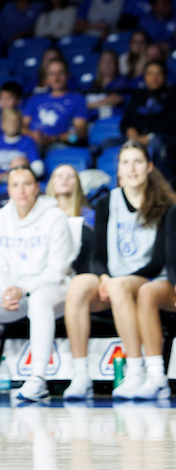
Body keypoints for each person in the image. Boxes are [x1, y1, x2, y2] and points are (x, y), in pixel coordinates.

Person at [0, 165, 75, 403]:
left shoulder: (55, 217)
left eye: (27, 184)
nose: (22, 190)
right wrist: (7, 290)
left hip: (53, 289)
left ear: (37, 187)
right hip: (13, 292)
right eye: (15, 185)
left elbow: (58, 269)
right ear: (8, 190)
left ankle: (38, 379)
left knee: (39, 301)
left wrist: (23, 289)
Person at [63, 142, 175, 400]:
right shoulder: (106, 203)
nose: (131, 168)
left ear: (149, 167)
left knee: (119, 286)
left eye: (137, 162)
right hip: (113, 279)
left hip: (149, 277)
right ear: (119, 170)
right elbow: (98, 255)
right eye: (125, 162)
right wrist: (103, 277)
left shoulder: (164, 204)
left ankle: (135, 370)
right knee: (78, 285)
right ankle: (80, 376)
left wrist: (115, 281)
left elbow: (159, 260)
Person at [131, 205, 176, 400]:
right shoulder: (173, 212)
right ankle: (156, 375)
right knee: (147, 292)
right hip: (173, 285)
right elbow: (171, 259)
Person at [121, 60, 176, 177]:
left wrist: (150, 136)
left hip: (163, 139)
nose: (154, 78)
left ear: (165, 76)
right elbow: (125, 121)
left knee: (157, 144)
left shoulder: (173, 95)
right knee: (107, 144)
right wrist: (129, 130)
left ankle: (162, 184)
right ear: (144, 76)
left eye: (158, 74)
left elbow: (172, 124)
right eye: (150, 74)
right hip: (136, 138)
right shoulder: (138, 95)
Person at [22, 58, 89, 149]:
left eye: (60, 73)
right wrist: (33, 134)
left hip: (60, 145)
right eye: (52, 74)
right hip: (32, 142)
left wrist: (53, 139)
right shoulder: (35, 98)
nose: (56, 78)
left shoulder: (77, 99)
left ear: (68, 75)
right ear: (47, 78)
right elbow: (22, 126)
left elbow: (80, 133)